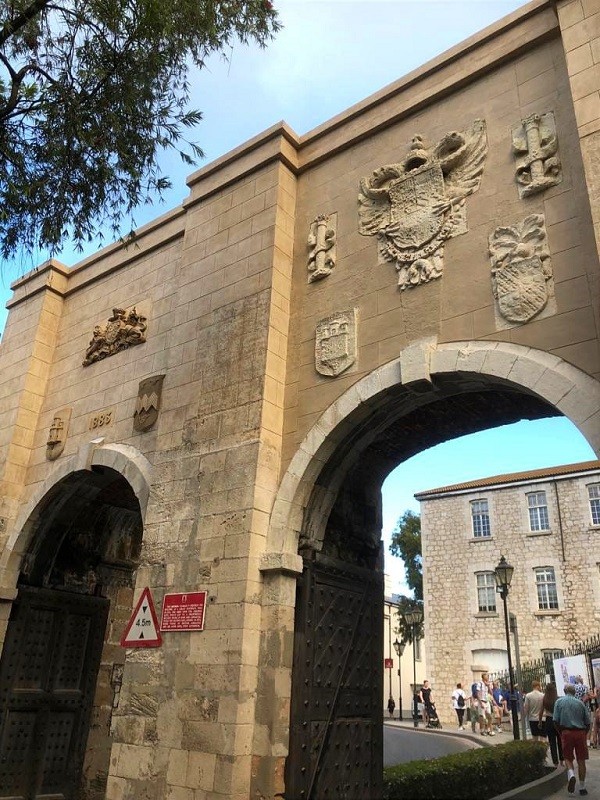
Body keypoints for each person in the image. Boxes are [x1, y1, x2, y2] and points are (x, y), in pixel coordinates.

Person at [554, 683, 591, 796]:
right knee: (581, 760)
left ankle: (571, 774)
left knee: (567, 757)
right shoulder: (580, 703)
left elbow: (555, 720)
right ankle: (582, 787)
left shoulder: (559, 702)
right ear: (574, 692)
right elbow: (587, 722)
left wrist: (560, 732)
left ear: (564, 691)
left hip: (566, 732)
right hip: (580, 733)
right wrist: (584, 733)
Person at [540, 682, 564, 766]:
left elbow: (541, 711)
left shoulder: (545, 698)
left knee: (552, 742)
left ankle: (555, 762)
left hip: (549, 720)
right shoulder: (557, 698)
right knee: (560, 741)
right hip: (557, 720)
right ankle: (562, 760)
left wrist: (540, 721)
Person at [476, 672, 495, 736]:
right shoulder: (479, 684)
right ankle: (482, 730)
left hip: (487, 702)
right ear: (483, 677)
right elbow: (478, 694)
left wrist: (488, 686)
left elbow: (491, 693)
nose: (488, 677)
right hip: (482, 701)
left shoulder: (488, 684)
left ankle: (487, 729)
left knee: (489, 717)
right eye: (487, 676)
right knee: (482, 717)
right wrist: (480, 702)